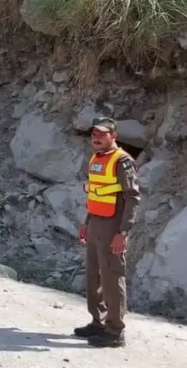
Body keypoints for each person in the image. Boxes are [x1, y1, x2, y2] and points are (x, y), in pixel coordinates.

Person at [74, 117, 140, 348]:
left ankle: (115, 331)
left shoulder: (122, 161)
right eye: (94, 133)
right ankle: (98, 322)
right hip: (95, 223)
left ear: (114, 136)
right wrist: (87, 222)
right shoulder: (96, 159)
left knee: (112, 276)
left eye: (102, 134)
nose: (97, 137)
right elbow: (96, 194)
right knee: (94, 276)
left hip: (113, 226)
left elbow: (132, 198)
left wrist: (123, 232)